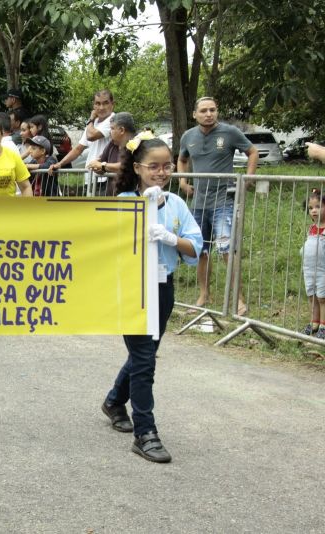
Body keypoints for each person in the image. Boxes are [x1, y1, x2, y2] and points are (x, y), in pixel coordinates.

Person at [102, 134, 202, 463]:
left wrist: (171, 237)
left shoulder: (176, 204)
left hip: (163, 288)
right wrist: (143, 211)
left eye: (167, 166)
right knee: (145, 360)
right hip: (131, 289)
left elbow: (195, 247)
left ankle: (115, 400)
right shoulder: (123, 200)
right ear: (138, 168)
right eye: (153, 166)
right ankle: (146, 432)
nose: (161, 172)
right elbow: (107, 245)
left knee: (146, 354)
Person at [177, 97, 257, 314]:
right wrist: (183, 181)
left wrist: (247, 180)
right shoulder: (188, 136)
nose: (209, 114)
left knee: (226, 249)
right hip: (199, 203)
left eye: (212, 109)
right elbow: (182, 159)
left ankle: (239, 300)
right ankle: (204, 296)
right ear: (195, 114)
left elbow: (252, 152)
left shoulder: (229, 132)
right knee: (200, 250)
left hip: (223, 202)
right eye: (203, 110)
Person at [49, 90, 115, 195]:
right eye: (98, 103)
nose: (101, 107)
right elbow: (78, 149)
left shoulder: (113, 120)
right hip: (90, 178)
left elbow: (91, 136)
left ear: (112, 104)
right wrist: (60, 164)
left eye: (105, 103)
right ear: (94, 105)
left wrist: (91, 118)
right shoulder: (93, 124)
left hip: (106, 178)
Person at [87, 112, 137, 196]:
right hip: (112, 197)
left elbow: (127, 166)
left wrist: (103, 166)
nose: (110, 132)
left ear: (121, 130)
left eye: (112, 128)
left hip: (133, 199)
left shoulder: (137, 143)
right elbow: (100, 161)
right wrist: (98, 167)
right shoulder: (112, 144)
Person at [301, 189, 325, 338]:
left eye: (318, 206)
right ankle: (314, 321)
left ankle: (323, 324)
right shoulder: (311, 228)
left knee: (323, 297)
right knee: (312, 296)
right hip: (309, 269)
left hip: (323, 269)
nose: (314, 211)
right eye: (311, 208)